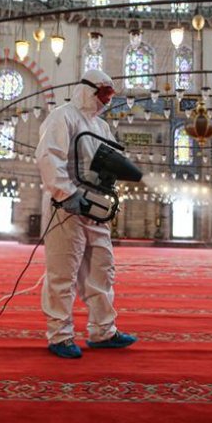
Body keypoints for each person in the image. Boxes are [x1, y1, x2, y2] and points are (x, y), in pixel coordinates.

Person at [35, 68, 137, 359]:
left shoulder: (102, 127)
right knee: (63, 271)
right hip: (65, 205)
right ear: (89, 90)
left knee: (101, 268)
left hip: (95, 206)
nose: (106, 100)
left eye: (109, 95)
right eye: (103, 94)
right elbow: (48, 157)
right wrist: (66, 194)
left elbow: (107, 161)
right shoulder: (62, 117)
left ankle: (103, 331)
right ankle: (60, 335)